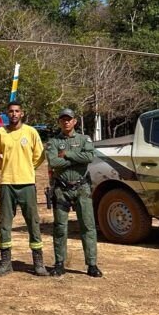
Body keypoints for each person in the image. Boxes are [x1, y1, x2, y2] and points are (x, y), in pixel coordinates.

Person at [0, 101, 48, 276]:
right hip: (7, 183)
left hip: (27, 184)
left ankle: (38, 263)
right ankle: (5, 262)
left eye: (17, 111)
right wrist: (7, 168)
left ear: (22, 113)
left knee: (33, 222)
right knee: (4, 223)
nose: (14, 114)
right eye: (11, 111)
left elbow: (40, 155)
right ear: (7, 114)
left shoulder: (31, 132)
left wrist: (28, 168)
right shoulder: (0, 133)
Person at [46, 108, 103, 278]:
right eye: (63, 119)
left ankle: (92, 264)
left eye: (69, 119)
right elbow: (53, 162)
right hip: (61, 189)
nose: (66, 122)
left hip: (81, 188)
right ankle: (59, 263)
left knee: (88, 226)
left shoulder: (84, 139)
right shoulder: (53, 142)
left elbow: (90, 157)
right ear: (59, 122)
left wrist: (67, 154)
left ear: (74, 121)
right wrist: (76, 160)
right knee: (60, 227)